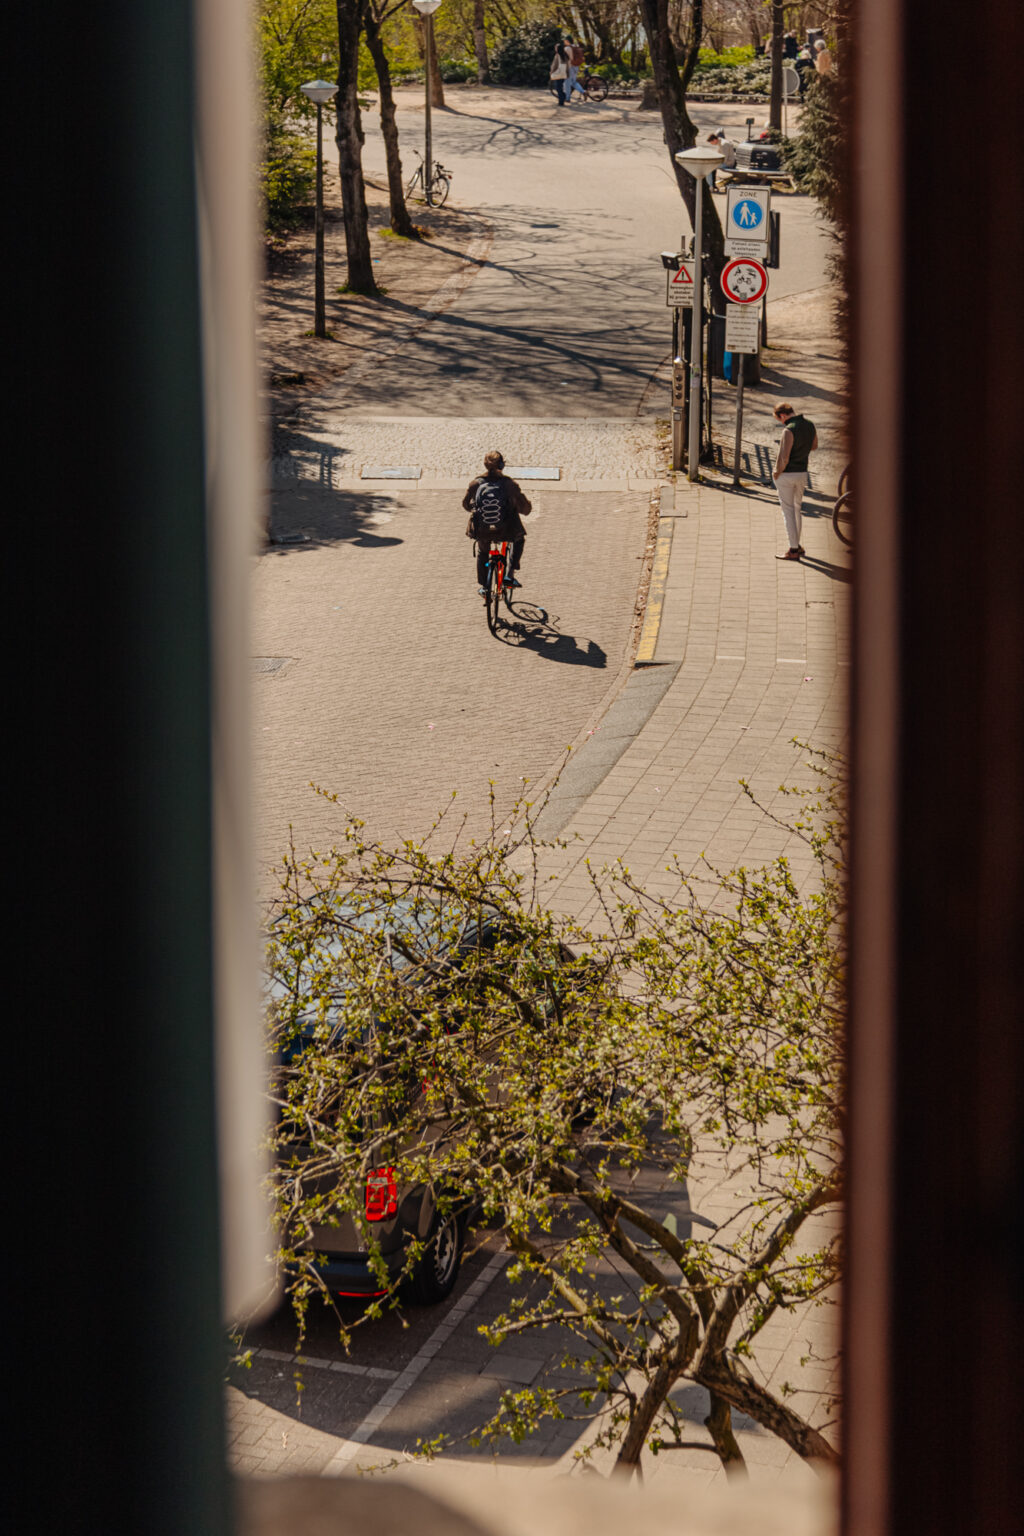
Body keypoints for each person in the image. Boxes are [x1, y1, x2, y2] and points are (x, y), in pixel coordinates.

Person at [463, 451, 532, 594]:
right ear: (502, 465)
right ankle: (509, 575)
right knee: (519, 539)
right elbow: (524, 508)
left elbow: (465, 504)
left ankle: (484, 587)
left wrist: (475, 509)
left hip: (482, 530)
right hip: (506, 530)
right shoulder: (509, 484)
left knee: (483, 551)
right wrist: (525, 508)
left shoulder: (475, 484)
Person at [772, 403, 817, 559]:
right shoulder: (810, 425)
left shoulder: (789, 429)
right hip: (802, 473)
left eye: (779, 419)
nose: (781, 422)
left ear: (783, 415)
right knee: (797, 509)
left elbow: (784, 457)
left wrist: (776, 472)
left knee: (788, 511)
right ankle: (798, 545)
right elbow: (814, 446)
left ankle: (793, 550)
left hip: (787, 475)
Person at [564, 36, 587, 102]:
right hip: (576, 66)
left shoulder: (567, 48)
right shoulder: (576, 47)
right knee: (573, 82)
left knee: (567, 83)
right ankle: (583, 92)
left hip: (569, 67)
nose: (564, 42)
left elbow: (565, 59)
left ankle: (567, 98)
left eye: (565, 41)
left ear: (567, 41)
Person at [549, 40, 569, 106]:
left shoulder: (557, 56)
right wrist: (567, 73)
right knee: (560, 87)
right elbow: (567, 65)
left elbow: (555, 65)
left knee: (558, 88)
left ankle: (561, 101)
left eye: (556, 48)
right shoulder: (565, 55)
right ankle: (563, 97)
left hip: (558, 74)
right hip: (563, 74)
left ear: (557, 49)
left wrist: (551, 72)